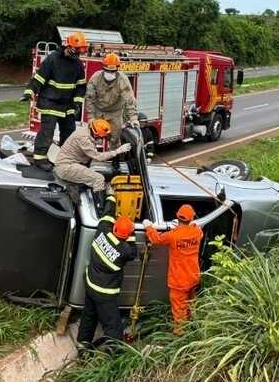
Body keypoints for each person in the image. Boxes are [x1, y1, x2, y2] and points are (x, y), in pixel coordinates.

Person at [76, 196, 138, 354]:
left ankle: (82, 346)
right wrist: (131, 231)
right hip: (105, 293)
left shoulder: (102, 230)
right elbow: (133, 251)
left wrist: (111, 197)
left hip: (90, 284)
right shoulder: (125, 251)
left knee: (88, 316)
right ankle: (115, 355)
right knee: (113, 325)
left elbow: (107, 215)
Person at [21, 31, 89, 171]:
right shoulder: (53, 59)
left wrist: (77, 103)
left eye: (81, 50)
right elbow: (39, 78)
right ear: (68, 46)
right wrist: (29, 92)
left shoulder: (78, 64)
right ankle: (39, 159)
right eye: (77, 49)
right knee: (47, 131)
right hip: (49, 102)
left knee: (69, 132)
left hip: (67, 105)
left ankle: (65, 158)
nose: (78, 53)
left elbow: (81, 86)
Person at [142, 205, 203, 336]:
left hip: (179, 281)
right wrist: (187, 226)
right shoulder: (197, 232)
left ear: (177, 217)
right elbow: (196, 228)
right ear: (191, 218)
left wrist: (148, 226)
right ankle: (194, 327)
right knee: (191, 305)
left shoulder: (173, 235)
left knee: (179, 310)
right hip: (193, 277)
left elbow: (156, 239)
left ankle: (180, 335)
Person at [54, 119, 131, 211]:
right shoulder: (84, 139)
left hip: (70, 164)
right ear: (95, 133)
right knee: (99, 179)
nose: (102, 140)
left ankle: (76, 187)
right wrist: (118, 151)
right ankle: (101, 210)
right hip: (66, 167)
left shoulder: (88, 130)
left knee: (92, 177)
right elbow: (98, 157)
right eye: (101, 137)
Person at [85, 53, 139, 150]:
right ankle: (91, 158)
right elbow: (89, 99)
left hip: (115, 113)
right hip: (99, 111)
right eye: (107, 70)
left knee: (115, 138)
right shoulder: (95, 78)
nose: (110, 73)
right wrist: (90, 117)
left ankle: (115, 159)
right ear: (103, 68)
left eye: (112, 71)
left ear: (117, 69)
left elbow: (130, 100)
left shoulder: (122, 80)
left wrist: (133, 118)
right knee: (93, 138)